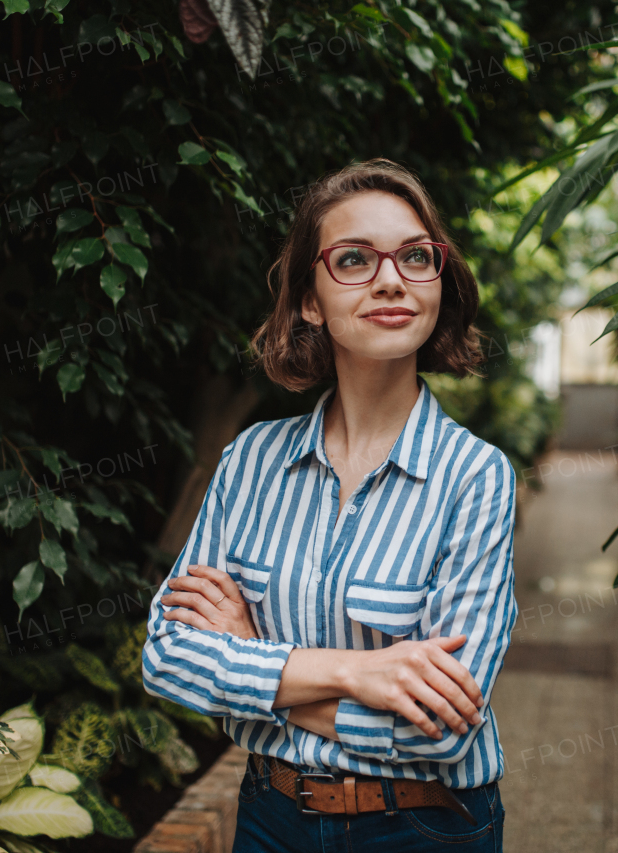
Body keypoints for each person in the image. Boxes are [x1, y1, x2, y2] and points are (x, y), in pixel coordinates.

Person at [142, 159, 518, 852]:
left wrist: (256, 657)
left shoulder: (475, 476)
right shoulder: (251, 461)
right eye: (353, 258)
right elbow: (167, 654)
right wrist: (357, 671)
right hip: (270, 816)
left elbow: (438, 729)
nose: (389, 278)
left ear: (439, 281)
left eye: (415, 256)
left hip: (425, 826)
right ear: (310, 298)